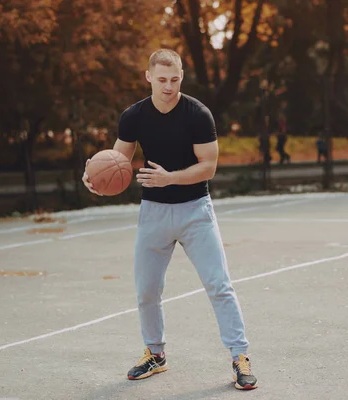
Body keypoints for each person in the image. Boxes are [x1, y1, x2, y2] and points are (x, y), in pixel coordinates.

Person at [82, 49, 257, 391]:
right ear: (148, 76)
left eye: (174, 80)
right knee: (146, 290)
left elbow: (208, 166)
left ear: (182, 77)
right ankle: (156, 354)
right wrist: (94, 176)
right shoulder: (133, 116)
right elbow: (119, 160)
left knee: (219, 285)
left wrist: (170, 178)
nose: (168, 86)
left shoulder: (197, 114)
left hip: (195, 210)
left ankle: (240, 356)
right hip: (154, 212)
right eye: (161, 79)